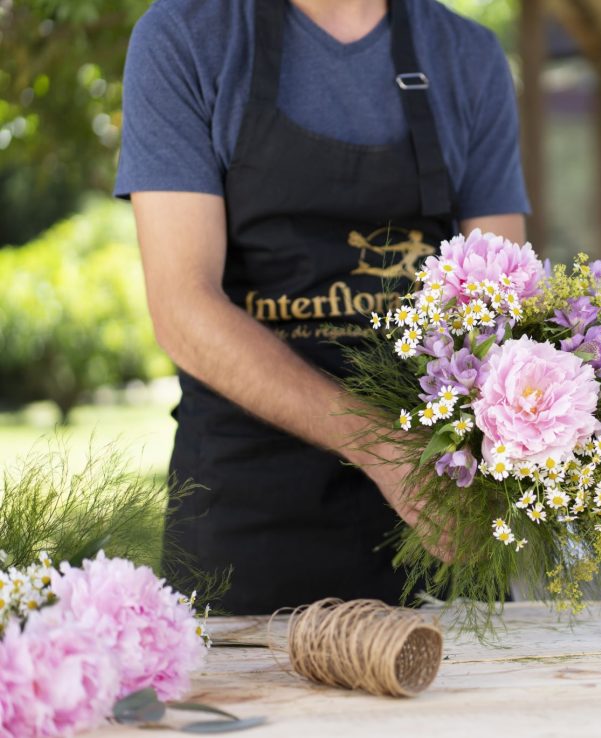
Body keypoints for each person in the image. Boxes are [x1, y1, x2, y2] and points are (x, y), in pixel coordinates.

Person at [115, 0, 529, 614]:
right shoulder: (187, 38)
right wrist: (381, 446)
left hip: (437, 511)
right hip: (248, 520)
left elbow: (504, 303)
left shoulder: (468, 56)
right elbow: (183, 307)